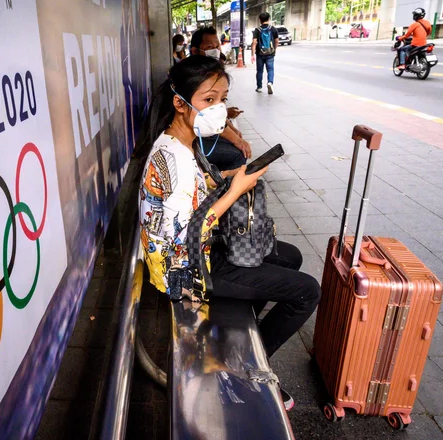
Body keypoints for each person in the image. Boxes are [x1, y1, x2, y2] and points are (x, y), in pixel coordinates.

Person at [135, 56, 321, 410]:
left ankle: (241, 343)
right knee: (307, 292)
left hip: (198, 252)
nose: (219, 108)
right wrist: (236, 191)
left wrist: (231, 176)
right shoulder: (171, 155)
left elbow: (194, 190)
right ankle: (246, 367)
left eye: (222, 99)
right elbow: (186, 234)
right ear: (180, 102)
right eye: (209, 99)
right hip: (187, 271)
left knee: (290, 257)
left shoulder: (177, 141)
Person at [190, 27, 251, 171]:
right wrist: (237, 140)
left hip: (200, 132)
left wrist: (231, 128)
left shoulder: (207, 71)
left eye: (217, 46)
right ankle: (231, 188)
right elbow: (208, 115)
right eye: (210, 47)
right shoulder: (193, 75)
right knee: (238, 154)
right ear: (194, 51)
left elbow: (214, 110)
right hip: (193, 138)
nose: (216, 51)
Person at [251, 12, 279, 94]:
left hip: (260, 53)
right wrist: (274, 49)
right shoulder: (273, 29)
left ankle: (259, 87)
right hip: (270, 53)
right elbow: (277, 41)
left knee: (259, 71)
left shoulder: (257, 30)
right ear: (269, 19)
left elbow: (254, 42)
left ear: (260, 20)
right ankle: (270, 82)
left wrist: (252, 54)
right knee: (270, 69)